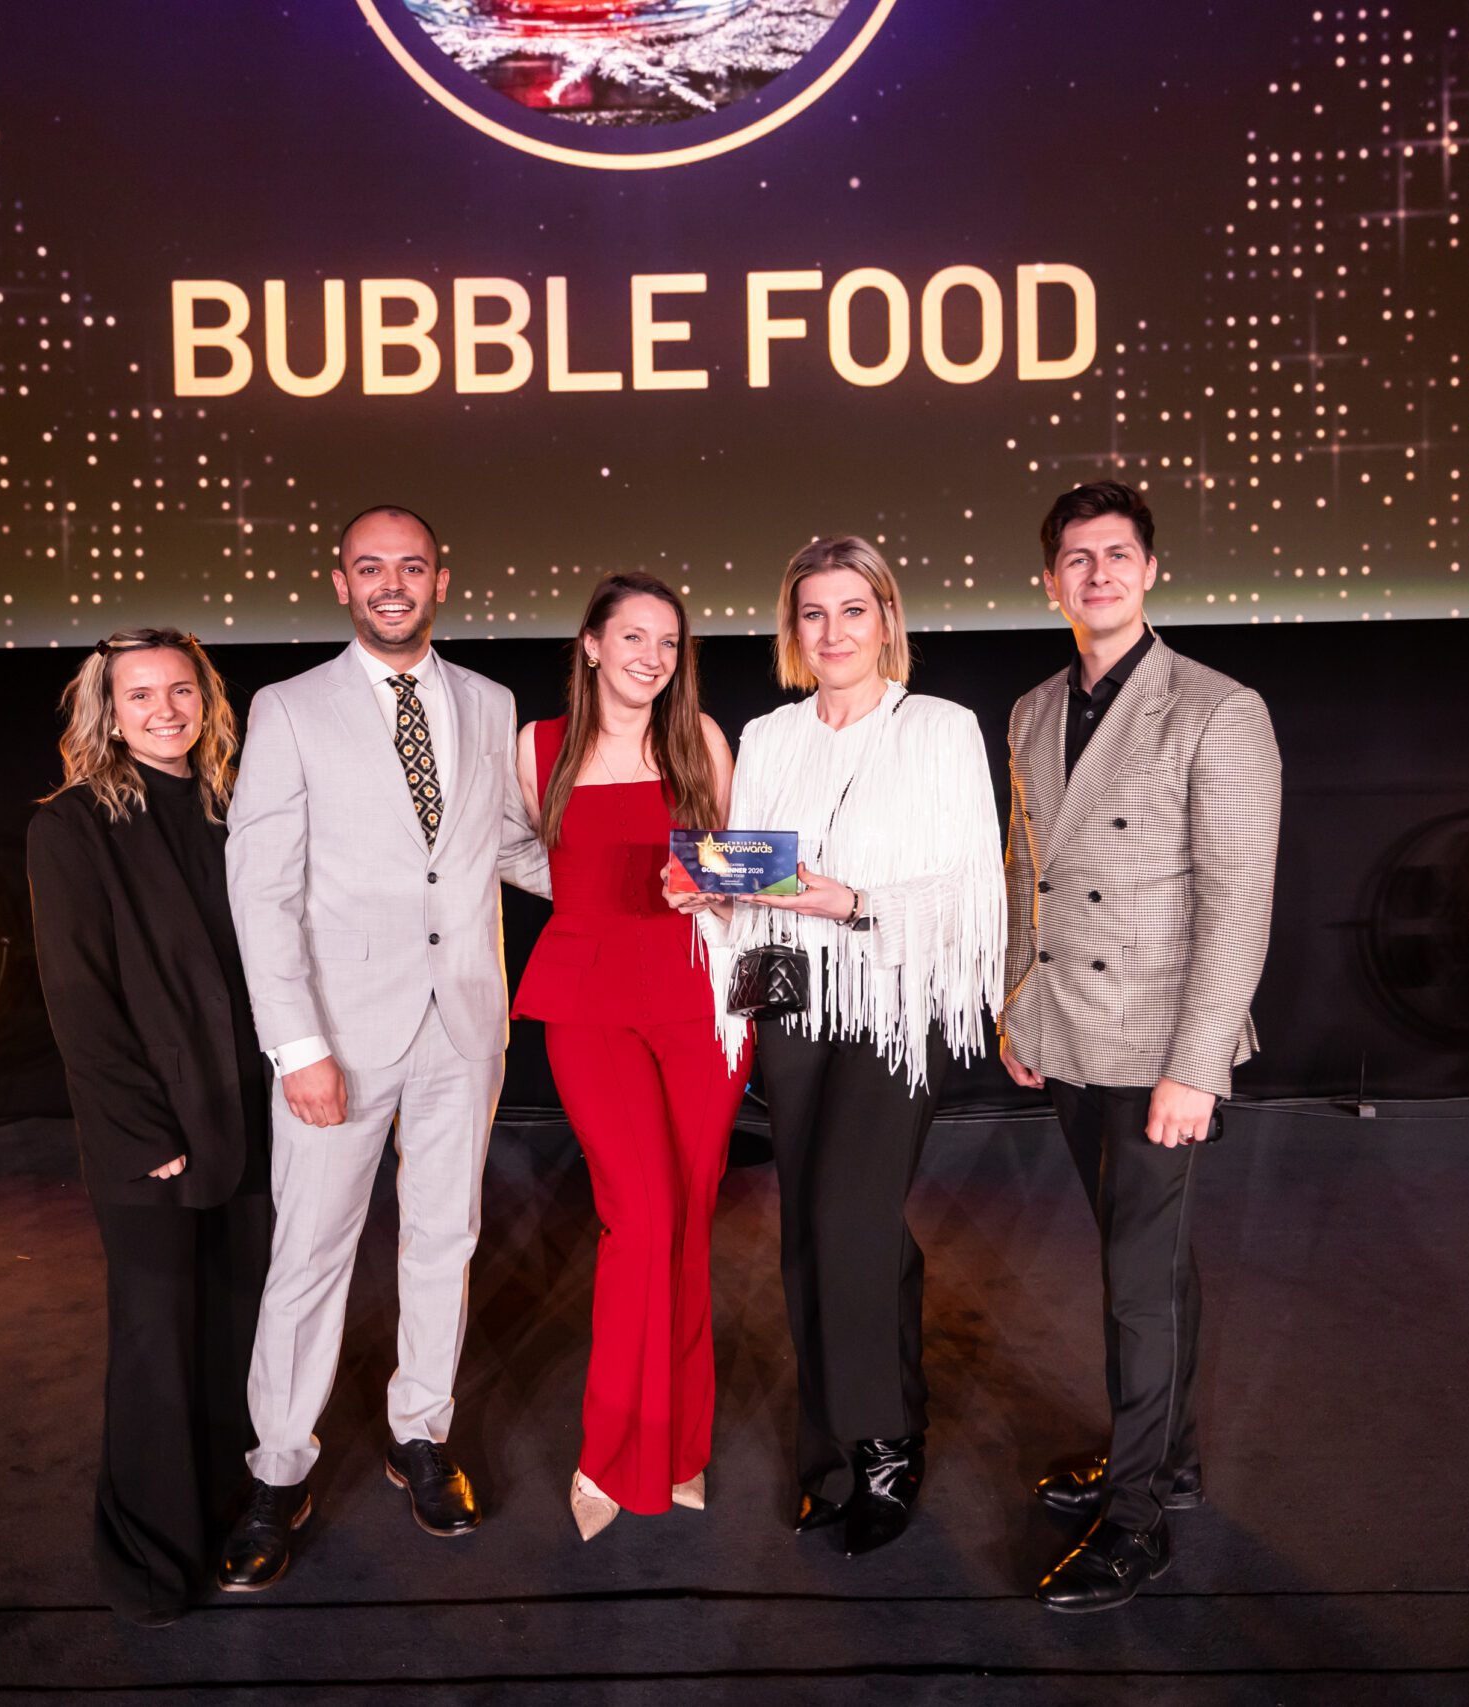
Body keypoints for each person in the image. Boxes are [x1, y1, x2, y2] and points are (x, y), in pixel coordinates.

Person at [216, 504, 551, 1592]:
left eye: (411, 566)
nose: (392, 584)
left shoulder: (488, 702)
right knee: (310, 1251)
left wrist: (639, 881)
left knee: (445, 1238)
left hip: (465, 1022)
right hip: (339, 1035)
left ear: (441, 579)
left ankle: (422, 1432)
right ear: (341, 582)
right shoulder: (288, 708)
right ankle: (278, 1468)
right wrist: (296, 1045)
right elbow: (261, 892)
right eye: (372, 568)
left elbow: (500, 846)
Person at [670, 536, 1004, 1557]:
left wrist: (852, 900)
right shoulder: (768, 735)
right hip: (791, 1001)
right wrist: (705, 894)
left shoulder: (941, 728)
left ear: (887, 619)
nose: (832, 631)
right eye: (812, 613)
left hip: (894, 1004)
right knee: (812, 1231)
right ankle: (831, 1445)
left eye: (853, 610)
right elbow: (753, 879)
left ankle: (886, 1443)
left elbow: (970, 890)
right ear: (792, 628)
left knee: (853, 1218)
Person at [998, 481, 1282, 1613]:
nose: (1099, 574)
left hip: (1161, 1041)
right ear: (1052, 580)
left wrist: (1195, 1067)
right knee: (1148, 1267)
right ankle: (1171, 1460)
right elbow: (1027, 871)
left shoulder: (1218, 708)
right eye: (1078, 558)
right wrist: (1018, 1005)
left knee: (1135, 1283)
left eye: (1118, 554)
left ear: (1151, 571)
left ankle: (1137, 1518)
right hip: (1069, 1028)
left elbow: (1238, 900)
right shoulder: (1031, 709)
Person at [24, 628, 272, 1628]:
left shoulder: (237, 807)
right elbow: (79, 998)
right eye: (140, 695)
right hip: (154, 1130)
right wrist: (139, 1131)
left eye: (181, 691)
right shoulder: (71, 827)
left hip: (253, 1113)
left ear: (207, 702)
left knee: (240, 1321)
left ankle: (225, 1511)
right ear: (109, 712)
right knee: (155, 1338)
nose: (164, 710)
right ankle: (149, 1560)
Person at [513, 571, 745, 1540]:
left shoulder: (700, 742)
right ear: (592, 645)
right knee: (638, 1217)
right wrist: (583, 895)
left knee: (685, 1221)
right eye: (633, 637)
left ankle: (681, 1446)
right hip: (589, 1003)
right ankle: (610, 1454)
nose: (651, 657)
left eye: (668, 642)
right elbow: (508, 850)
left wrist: (712, 891)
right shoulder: (536, 747)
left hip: (698, 1004)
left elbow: (740, 875)